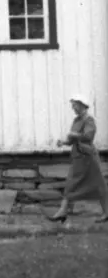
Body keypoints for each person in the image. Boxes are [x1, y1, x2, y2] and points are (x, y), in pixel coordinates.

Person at [48, 93, 108, 223]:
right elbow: (72, 140)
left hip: (88, 158)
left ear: (81, 105)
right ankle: (62, 211)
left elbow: (88, 137)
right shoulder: (76, 120)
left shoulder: (89, 120)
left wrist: (74, 135)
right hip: (79, 157)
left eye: (74, 105)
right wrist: (63, 142)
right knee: (72, 183)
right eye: (72, 105)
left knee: (98, 185)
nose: (73, 108)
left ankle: (106, 213)